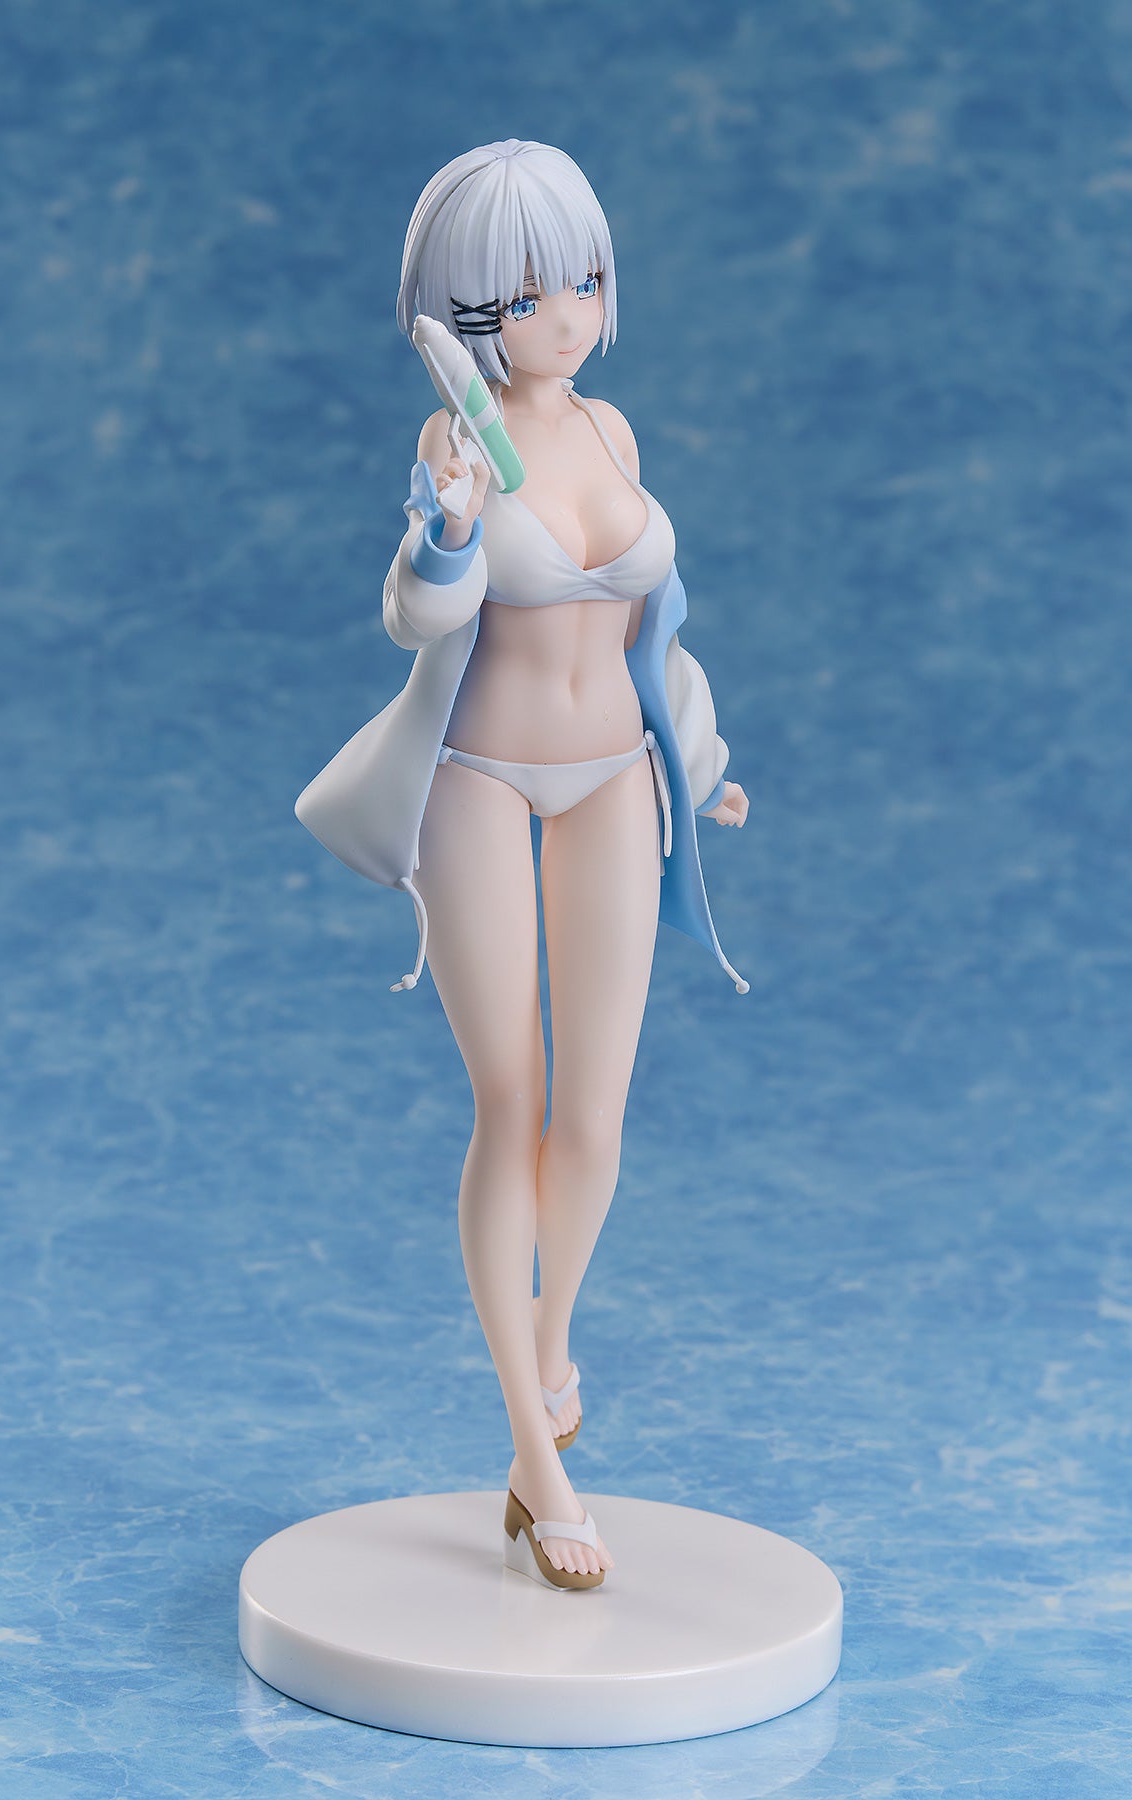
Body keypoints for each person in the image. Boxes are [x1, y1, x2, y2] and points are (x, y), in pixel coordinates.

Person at [296, 140, 748, 1591]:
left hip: (616, 776)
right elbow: (419, 618)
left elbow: (652, 625)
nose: (568, 315)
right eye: (526, 294)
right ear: (463, 314)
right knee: (514, 1103)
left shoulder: (611, 429)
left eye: (586, 280)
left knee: (596, 1119)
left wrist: (701, 762)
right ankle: (535, 1448)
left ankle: (551, 1359)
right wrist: (444, 533)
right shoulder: (457, 441)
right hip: (481, 783)